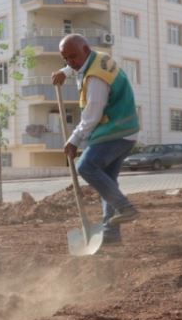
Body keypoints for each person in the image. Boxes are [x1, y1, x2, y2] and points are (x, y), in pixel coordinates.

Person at [52, 34, 140, 246]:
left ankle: (125, 208)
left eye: (73, 57)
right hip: (126, 130)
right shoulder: (97, 58)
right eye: (66, 59)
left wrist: (73, 140)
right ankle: (111, 236)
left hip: (114, 131)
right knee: (107, 183)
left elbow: (92, 114)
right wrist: (65, 72)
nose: (70, 62)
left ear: (85, 49)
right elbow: (78, 66)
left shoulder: (95, 79)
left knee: (86, 167)